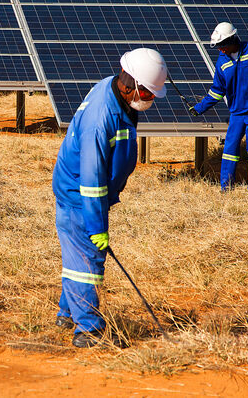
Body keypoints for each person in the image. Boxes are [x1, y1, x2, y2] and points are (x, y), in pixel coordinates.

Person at [52, 48, 168, 348]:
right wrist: (96, 226)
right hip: (79, 195)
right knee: (87, 261)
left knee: (79, 257)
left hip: (93, 194)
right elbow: (90, 180)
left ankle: (67, 313)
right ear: (130, 86)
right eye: (149, 94)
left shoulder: (118, 94)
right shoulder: (100, 119)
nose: (151, 100)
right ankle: (88, 329)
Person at [189, 22, 248, 191]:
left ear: (232, 39)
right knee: (229, 150)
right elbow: (217, 91)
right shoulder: (222, 63)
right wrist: (199, 108)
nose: (221, 50)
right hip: (237, 113)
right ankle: (226, 187)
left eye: (223, 46)